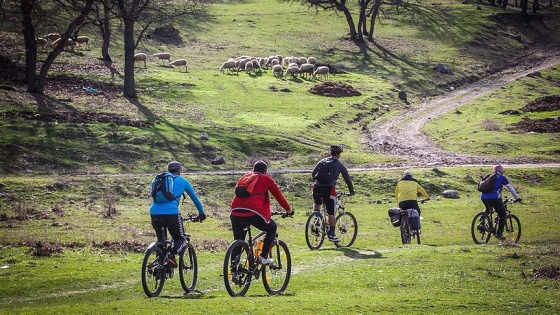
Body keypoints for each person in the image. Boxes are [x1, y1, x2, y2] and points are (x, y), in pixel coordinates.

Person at [230, 160, 293, 265]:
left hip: (235, 212)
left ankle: (234, 267)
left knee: (238, 240)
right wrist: (289, 210)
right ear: (265, 171)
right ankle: (263, 257)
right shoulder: (266, 179)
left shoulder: (244, 178)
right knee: (272, 228)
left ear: (253, 170)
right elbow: (279, 197)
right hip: (253, 212)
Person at [149, 161, 206, 268]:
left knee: (161, 240)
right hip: (171, 214)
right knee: (180, 238)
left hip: (154, 212)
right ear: (180, 170)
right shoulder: (182, 181)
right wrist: (201, 214)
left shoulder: (159, 180)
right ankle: (171, 256)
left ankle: (159, 264)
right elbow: (196, 200)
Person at [311, 145, 355, 242]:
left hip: (317, 187)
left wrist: (317, 183)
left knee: (317, 203)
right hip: (329, 189)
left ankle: (316, 219)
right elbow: (347, 179)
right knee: (331, 212)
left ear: (330, 153)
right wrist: (351, 191)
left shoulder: (322, 161)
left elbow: (313, 173)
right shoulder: (340, 165)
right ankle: (332, 234)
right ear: (339, 154)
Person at [480, 164, 522, 240]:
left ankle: (482, 221)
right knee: (502, 215)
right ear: (502, 171)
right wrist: (517, 198)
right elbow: (510, 188)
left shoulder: (489, 176)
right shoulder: (502, 178)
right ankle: (499, 234)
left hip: (483, 197)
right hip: (495, 198)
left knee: (488, 209)